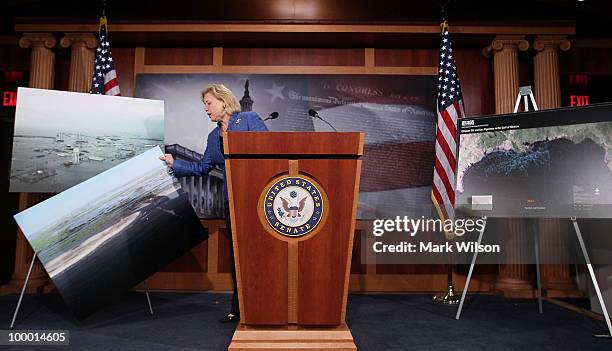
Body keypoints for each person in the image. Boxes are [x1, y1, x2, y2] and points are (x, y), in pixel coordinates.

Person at [160, 83, 268, 323]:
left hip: (259, 200)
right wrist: (173, 163)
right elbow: (202, 168)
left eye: (208, 103)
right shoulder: (213, 136)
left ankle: (266, 305)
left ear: (223, 101)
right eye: (204, 105)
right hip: (233, 202)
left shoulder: (249, 119)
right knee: (238, 256)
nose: (206, 109)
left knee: (261, 254)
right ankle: (238, 309)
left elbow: (269, 151)